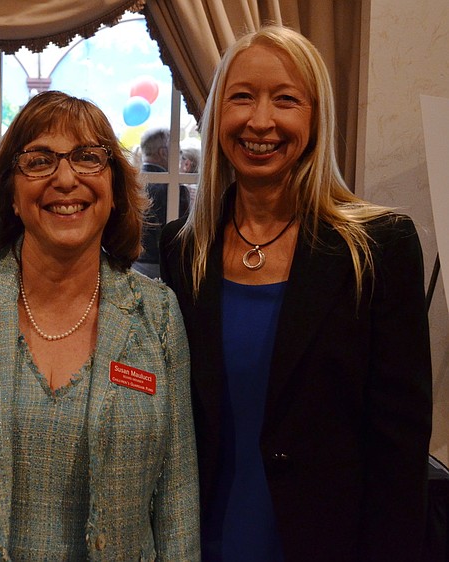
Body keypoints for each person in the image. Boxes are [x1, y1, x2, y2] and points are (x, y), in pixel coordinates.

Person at [0, 90, 200, 560]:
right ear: (11, 188)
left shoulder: (158, 314)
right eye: (39, 160)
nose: (65, 179)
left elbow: (177, 502)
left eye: (89, 158)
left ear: (114, 186)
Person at [159, 25, 432, 561]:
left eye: (286, 99)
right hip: (199, 540)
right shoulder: (183, 248)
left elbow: (399, 448)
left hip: (325, 543)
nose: (261, 121)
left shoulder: (379, 247)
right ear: (217, 114)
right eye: (242, 97)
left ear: (315, 118)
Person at [133, 127, 190, 279]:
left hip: (130, 264)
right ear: (163, 153)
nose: (180, 157)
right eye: (179, 152)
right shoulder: (175, 189)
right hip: (162, 268)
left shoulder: (130, 185)